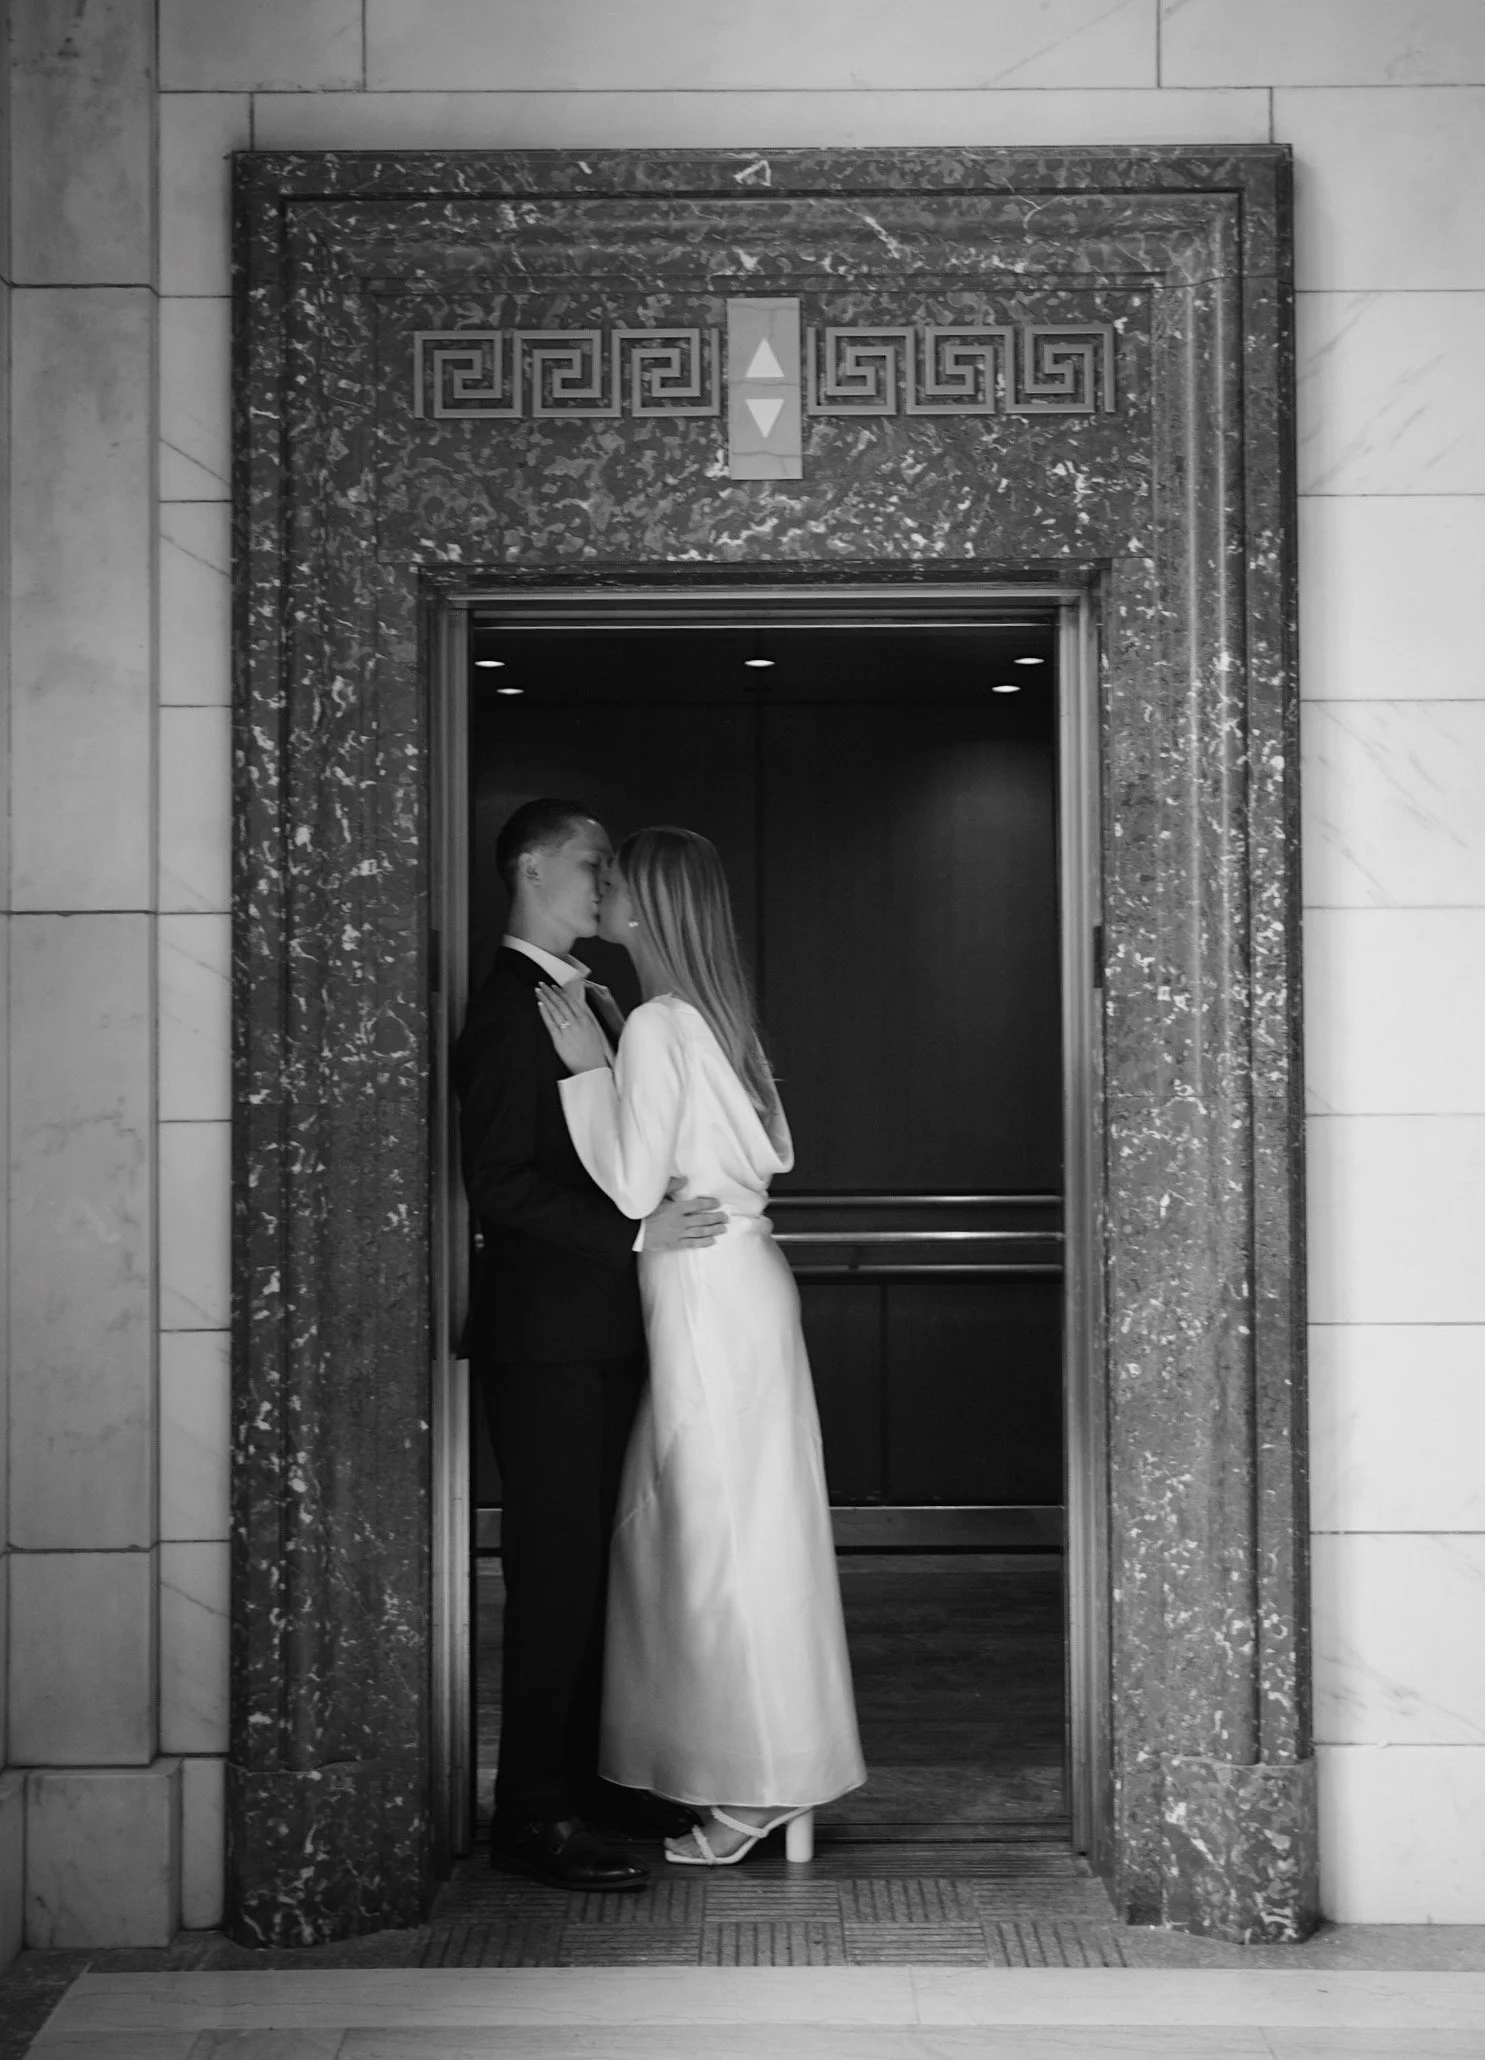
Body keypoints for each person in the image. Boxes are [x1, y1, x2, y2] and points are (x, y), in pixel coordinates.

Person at [535, 825, 866, 1866]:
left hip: (699, 1290)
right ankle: (775, 1778)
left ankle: (753, 1790)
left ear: (651, 908)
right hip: (750, 1280)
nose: (605, 896)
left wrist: (588, 1071)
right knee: (755, 1529)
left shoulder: (652, 1027)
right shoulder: (724, 1020)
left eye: (618, 884)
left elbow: (633, 1187)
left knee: (714, 1538)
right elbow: (776, 1150)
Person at [455, 798, 727, 1893]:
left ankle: (585, 1781)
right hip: (548, 1346)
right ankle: (531, 1810)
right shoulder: (508, 1006)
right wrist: (635, 1230)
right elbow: (503, 1185)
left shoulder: (594, 998)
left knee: (600, 1571)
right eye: (590, 860)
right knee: (554, 1575)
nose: (606, 878)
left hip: (607, 1335)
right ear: (528, 868)